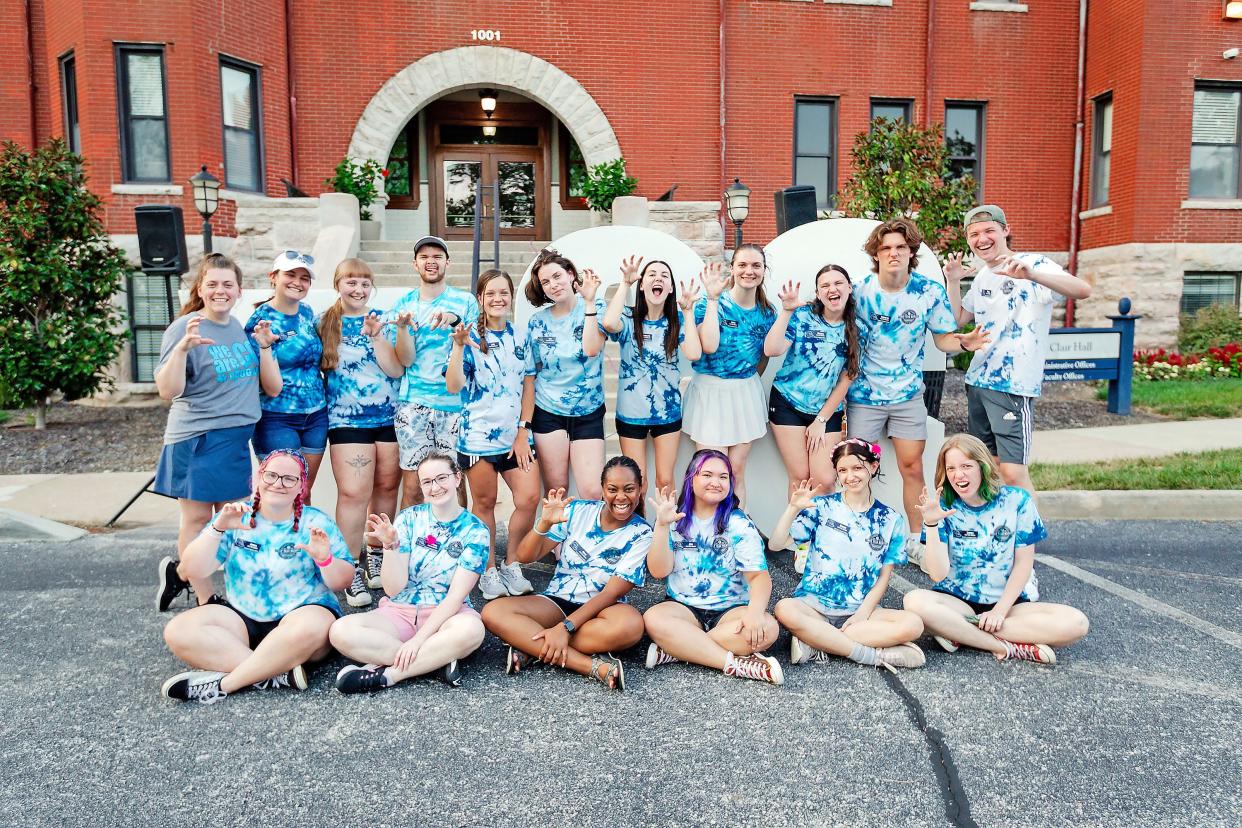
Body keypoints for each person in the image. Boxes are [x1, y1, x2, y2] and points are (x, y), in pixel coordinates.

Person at [160, 450, 355, 704]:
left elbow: (343, 581)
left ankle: (225, 684)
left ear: (301, 488)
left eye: (289, 479)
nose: (278, 483)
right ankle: (273, 673)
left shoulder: (316, 521)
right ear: (258, 479)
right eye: (271, 475)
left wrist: (325, 559)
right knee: (178, 630)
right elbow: (190, 569)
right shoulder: (235, 516)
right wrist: (218, 528)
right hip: (244, 617)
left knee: (314, 626)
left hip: (300, 614)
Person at [847, 218, 986, 550]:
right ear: (876, 255)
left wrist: (966, 343)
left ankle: (916, 539)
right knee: (857, 468)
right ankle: (856, 537)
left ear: (911, 253)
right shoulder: (860, 292)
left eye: (901, 247)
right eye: (886, 248)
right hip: (864, 396)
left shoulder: (928, 292)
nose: (894, 253)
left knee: (912, 467)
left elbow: (944, 340)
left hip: (908, 396)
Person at [154, 253, 276, 612]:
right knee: (197, 520)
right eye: (212, 284)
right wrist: (180, 352)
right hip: (199, 438)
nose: (220, 290)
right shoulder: (185, 327)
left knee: (232, 521)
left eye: (227, 284)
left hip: (236, 441)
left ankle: (182, 573)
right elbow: (167, 390)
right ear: (200, 288)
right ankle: (206, 600)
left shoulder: (238, 327)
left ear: (239, 290)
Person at [902, 434, 1090, 664]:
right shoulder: (944, 508)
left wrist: (999, 612)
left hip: (1009, 604)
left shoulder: (1017, 501)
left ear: (983, 466)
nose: (958, 475)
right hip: (957, 602)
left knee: (1076, 623)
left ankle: (958, 633)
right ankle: (1006, 646)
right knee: (914, 602)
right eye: (950, 468)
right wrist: (931, 524)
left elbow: (1023, 564)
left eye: (966, 466)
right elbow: (937, 574)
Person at [946, 205, 1093, 493]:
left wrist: (1033, 276)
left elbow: (1083, 290)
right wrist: (953, 281)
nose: (982, 239)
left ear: (1005, 230)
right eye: (974, 234)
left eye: (989, 231)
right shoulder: (983, 276)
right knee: (988, 469)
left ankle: (1027, 538)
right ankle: (999, 533)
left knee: (1014, 474)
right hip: (978, 382)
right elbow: (959, 319)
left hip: (1012, 385)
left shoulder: (1032, 264)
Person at [480, 456, 653, 691]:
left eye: (629, 489)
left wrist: (565, 628)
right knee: (492, 612)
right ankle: (589, 665)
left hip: (602, 610)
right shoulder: (577, 510)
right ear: (602, 489)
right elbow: (525, 556)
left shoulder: (642, 533)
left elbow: (612, 593)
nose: (621, 497)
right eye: (612, 489)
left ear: (640, 489)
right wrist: (544, 524)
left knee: (631, 626)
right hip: (557, 602)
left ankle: (532, 646)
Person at [328, 453, 489, 693]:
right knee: (340, 631)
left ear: (457, 478)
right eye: (427, 482)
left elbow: (455, 597)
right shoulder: (408, 518)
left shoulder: (476, 531)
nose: (435, 487)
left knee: (472, 631)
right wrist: (390, 548)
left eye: (441, 478)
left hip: (445, 615)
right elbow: (393, 589)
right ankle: (433, 662)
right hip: (400, 613)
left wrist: (418, 640)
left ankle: (387, 675)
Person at [771, 439, 926, 670]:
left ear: (873, 467)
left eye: (857, 468)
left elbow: (885, 576)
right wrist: (793, 508)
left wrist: (863, 613)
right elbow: (775, 545)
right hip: (812, 607)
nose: (849, 476)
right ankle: (871, 654)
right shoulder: (821, 506)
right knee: (784, 608)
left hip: (860, 612)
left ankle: (818, 641)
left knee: (913, 624)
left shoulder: (891, 519)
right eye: (842, 470)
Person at [643, 449, 783, 685]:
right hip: (683, 608)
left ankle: (678, 648)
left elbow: (759, 578)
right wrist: (661, 526)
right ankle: (736, 664)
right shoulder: (674, 520)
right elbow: (658, 571)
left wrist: (755, 614)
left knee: (768, 628)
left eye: (723, 477)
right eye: (707, 474)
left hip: (731, 610)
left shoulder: (739, 524)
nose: (715, 483)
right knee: (654, 618)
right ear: (691, 478)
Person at [444, 269, 540, 600]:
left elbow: (529, 386)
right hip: (478, 438)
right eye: (490, 294)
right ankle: (487, 570)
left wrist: (522, 430)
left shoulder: (521, 337)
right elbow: (453, 385)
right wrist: (458, 347)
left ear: (511, 297)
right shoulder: (469, 337)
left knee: (528, 498)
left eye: (503, 293)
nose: (498, 299)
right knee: (483, 504)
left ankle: (512, 563)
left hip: (515, 437)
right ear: (480, 299)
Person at [316, 258, 404, 608]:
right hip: (346, 419)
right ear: (338, 284)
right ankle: (350, 568)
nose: (358, 289)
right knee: (354, 493)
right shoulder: (324, 322)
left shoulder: (383, 318)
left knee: (386, 488)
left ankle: (376, 555)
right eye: (351, 282)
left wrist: (378, 335)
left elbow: (396, 369)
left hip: (389, 416)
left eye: (365, 283)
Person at [388, 236, 479, 509]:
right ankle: (408, 550)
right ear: (414, 264)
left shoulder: (465, 301)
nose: (431, 261)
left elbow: (476, 345)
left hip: (456, 405)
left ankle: (458, 548)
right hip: (414, 404)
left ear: (447, 263)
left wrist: (455, 318)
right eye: (424, 257)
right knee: (415, 488)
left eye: (437, 256)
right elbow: (405, 359)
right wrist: (403, 329)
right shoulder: (403, 304)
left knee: (455, 483)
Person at [599, 255, 703, 493]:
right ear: (642, 284)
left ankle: (667, 529)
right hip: (630, 414)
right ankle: (641, 529)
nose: (658, 279)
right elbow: (609, 323)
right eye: (652, 275)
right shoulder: (628, 317)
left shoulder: (676, 321)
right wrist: (625, 283)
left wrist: (687, 312)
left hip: (668, 415)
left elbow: (695, 353)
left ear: (670, 289)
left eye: (664, 276)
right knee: (638, 481)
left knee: (665, 480)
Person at [683, 244, 777, 506]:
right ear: (733, 269)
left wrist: (745, 381)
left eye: (756, 265)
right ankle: (704, 533)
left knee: (735, 470)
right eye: (743, 265)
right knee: (709, 472)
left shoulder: (768, 314)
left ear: (763, 271)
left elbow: (764, 357)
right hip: (710, 394)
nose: (749, 271)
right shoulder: (709, 304)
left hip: (744, 393)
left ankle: (736, 531)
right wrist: (713, 299)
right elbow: (708, 346)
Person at [763, 264, 861, 495]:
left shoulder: (858, 328)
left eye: (838, 283)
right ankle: (796, 531)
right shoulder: (803, 316)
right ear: (818, 293)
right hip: (788, 402)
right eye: (825, 285)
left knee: (825, 480)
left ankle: (821, 530)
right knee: (799, 478)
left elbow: (847, 379)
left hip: (827, 410)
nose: (832, 289)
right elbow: (771, 349)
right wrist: (786, 311)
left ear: (849, 287)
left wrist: (820, 420)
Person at [523, 248, 608, 500]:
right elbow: (534, 372)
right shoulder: (537, 322)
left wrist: (590, 304)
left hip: (588, 411)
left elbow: (592, 349)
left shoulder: (596, 306)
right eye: (545, 282)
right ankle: (559, 541)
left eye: (557, 276)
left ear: (571, 275)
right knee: (557, 490)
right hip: (549, 411)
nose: (553, 285)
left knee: (592, 490)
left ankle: (589, 539)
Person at [245, 250, 329, 495]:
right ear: (274, 277)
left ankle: (304, 535)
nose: (298, 282)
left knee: (304, 491)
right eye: (290, 275)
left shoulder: (307, 313)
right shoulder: (260, 322)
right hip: (276, 417)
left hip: (316, 415)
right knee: (281, 492)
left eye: (304, 278)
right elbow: (266, 383)